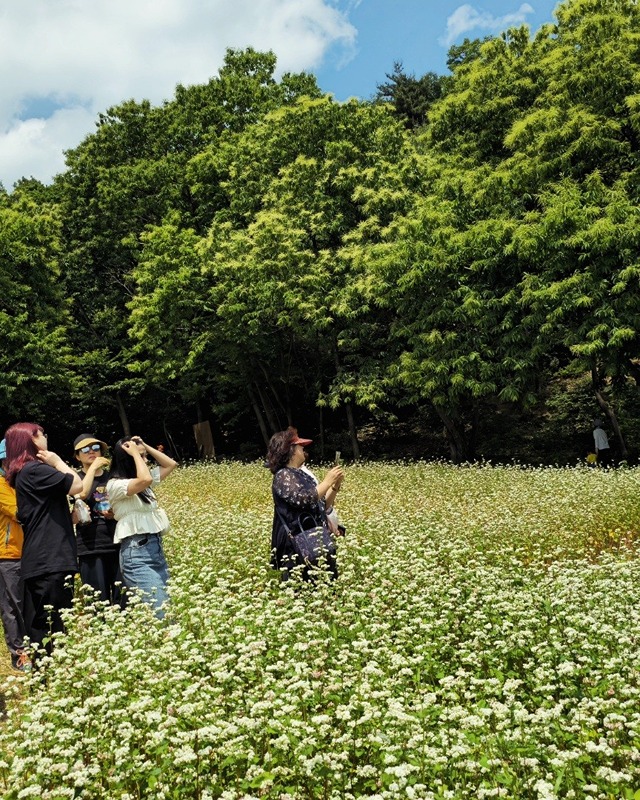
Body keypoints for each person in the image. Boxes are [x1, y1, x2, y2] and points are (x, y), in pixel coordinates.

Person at [4, 423, 83, 655]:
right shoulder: (35, 470)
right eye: (42, 434)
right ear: (31, 440)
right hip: (51, 558)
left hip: (39, 557)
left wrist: (67, 518)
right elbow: (76, 485)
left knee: (41, 623)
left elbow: (38, 513)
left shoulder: (22, 474)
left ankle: (43, 676)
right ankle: (48, 675)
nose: (46, 438)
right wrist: (57, 462)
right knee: (54, 624)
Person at [106, 436, 176, 618]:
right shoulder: (116, 485)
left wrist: (144, 446)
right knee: (158, 614)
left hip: (154, 548)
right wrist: (136, 454)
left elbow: (171, 465)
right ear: (128, 459)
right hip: (137, 554)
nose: (146, 460)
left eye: (144, 457)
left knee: (166, 611)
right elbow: (144, 478)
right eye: (141, 457)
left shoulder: (143, 484)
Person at [266, 427, 344, 580]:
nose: (303, 449)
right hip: (295, 544)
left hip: (313, 538)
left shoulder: (300, 473)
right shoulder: (283, 475)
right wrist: (327, 481)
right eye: (299, 446)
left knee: (324, 582)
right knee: (302, 586)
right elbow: (304, 499)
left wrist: (334, 485)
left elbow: (322, 505)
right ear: (290, 450)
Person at [72, 433, 121, 605]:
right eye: (85, 449)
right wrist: (92, 469)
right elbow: (80, 495)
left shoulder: (113, 476)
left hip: (117, 542)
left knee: (121, 599)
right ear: (77, 456)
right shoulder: (74, 479)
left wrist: (115, 513)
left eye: (95, 448)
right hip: (90, 546)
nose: (91, 452)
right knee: (96, 602)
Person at [0, 438, 29, 671]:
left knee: (26, 603)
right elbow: (19, 512)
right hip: (7, 554)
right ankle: (19, 654)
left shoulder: (21, 481)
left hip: (28, 550)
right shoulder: (1, 485)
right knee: (12, 606)